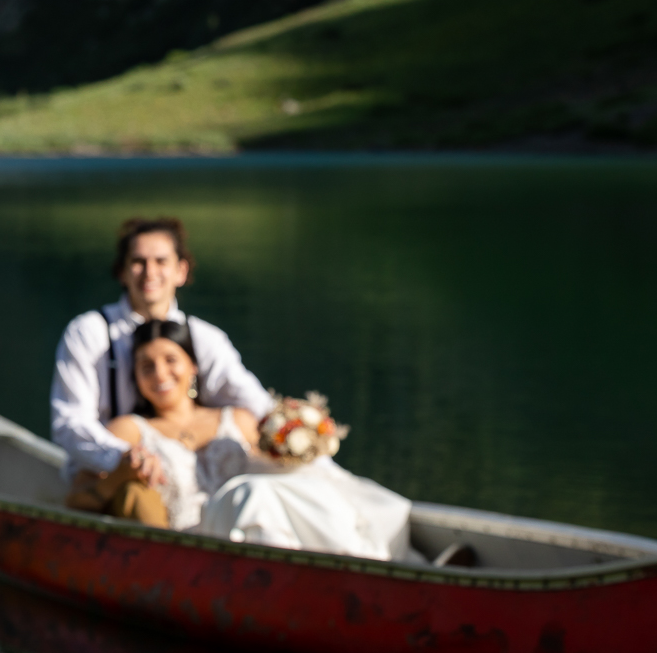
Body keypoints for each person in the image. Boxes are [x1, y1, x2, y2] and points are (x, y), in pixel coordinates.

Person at [78, 320, 415, 562]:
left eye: (170, 360)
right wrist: (123, 472)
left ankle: (379, 557)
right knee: (252, 493)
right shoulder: (130, 430)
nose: (159, 374)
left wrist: (299, 442)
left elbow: (276, 470)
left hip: (253, 524)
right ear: (135, 378)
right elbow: (77, 497)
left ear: (193, 366)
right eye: (145, 366)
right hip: (194, 541)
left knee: (308, 479)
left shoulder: (236, 418)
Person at [51, 217, 273, 510]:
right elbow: (69, 422)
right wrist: (122, 456)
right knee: (138, 498)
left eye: (161, 261)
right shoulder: (89, 333)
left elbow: (249, 398)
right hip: (107, 477)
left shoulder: (203, 337)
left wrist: (297, 432)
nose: (150, 272)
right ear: (122, 272)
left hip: (196, 477)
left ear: (181, 271)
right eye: (138, 262)